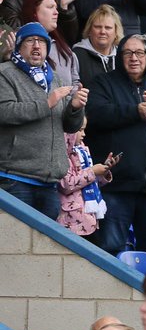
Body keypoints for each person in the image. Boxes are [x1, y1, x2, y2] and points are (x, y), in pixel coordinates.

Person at [87, 33, 146, 255]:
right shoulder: (102, 83)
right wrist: (136, 111)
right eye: (128, 52)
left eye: (139, 52)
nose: (134, 58)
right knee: (110, 249)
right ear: (120, 56)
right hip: (117, 186)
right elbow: (95, 114)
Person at [0, 22, 86, 218]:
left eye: (42, 42)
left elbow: (70, 127)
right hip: (15, 178)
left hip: (49, 182)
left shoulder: (55, 79)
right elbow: (4, 112)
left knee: (44, 246)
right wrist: (47, 103)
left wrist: (75, 108)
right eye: (30, 41)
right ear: (19, 47)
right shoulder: (5, 73)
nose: (37, 46)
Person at [56, 120, 115, 238]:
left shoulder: (82, 151)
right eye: (80, 130)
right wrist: (93, 171)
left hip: (88, 218)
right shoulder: (61, 153)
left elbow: (89, 182)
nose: (84, 134)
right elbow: (67, 184)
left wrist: (103, 172)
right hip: (71, 221)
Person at [20, 0, 79, 85]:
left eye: (56, 8)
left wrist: (77, 94)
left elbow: (75, 80)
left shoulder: (62, 46)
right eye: (50, 7)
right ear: (34, 12)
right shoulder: (19, 45)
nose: (56, 12)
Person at [71, 3, 123, 87]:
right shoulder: (76, 55)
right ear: (89, 30)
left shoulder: (122, 57)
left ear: (116, 32)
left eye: (108, 28)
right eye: (98, 27)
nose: (102, 32)